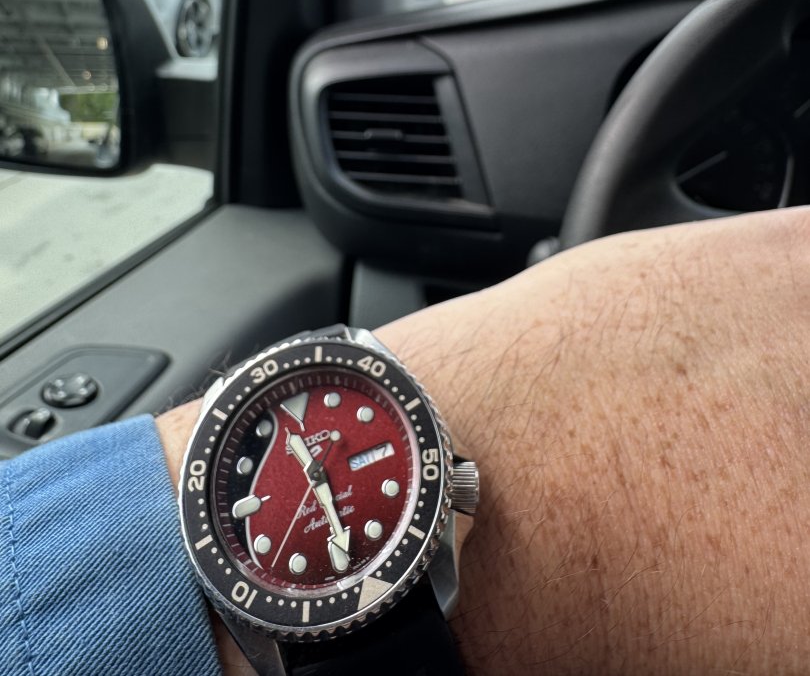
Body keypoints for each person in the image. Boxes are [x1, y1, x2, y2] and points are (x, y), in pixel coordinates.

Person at [4, 207, 810, 674]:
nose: (319, 473)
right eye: (311, 458)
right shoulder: (254, 561)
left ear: (455, 481)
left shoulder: (424, 504)